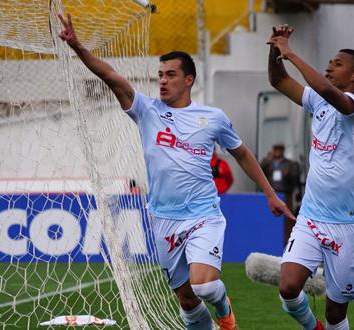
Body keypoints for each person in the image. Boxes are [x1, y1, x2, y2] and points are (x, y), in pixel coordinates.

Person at [58, 14, 293, 330]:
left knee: (205, 287)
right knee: (186, 299)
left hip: (203, 215)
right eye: (160, 75)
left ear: (189, 80)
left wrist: (269, 194)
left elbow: (242, 154)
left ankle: (225, 314)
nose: (163, 80)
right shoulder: (147, 111)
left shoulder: (212, 118)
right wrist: (77, 47)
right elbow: (112, 77)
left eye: (170, 74)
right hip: (163, 218)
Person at [268, 24, 354, 330]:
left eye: (337, 63)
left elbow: (328, 91)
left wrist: (292, 54)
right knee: (288, 287)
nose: (329, 65)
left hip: (349, 224)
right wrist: (276, 49)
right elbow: (278, 80)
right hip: (312, 216)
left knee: (335, 314)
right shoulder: (318, 103)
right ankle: (311, 327)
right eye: (329, 61)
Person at [260, 143, 301, 241]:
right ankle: (270, 238)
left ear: (283, 150)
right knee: (270, 217)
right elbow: (259, 171)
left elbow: (296, 179)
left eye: (280, 149)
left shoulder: (289, 163)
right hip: (272, 194)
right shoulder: (268, 162)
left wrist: (289, 174)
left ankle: (288, 239)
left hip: (285, 194)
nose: (278, 151)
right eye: (276, 148)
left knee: (287, 219)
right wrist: (266, 161)